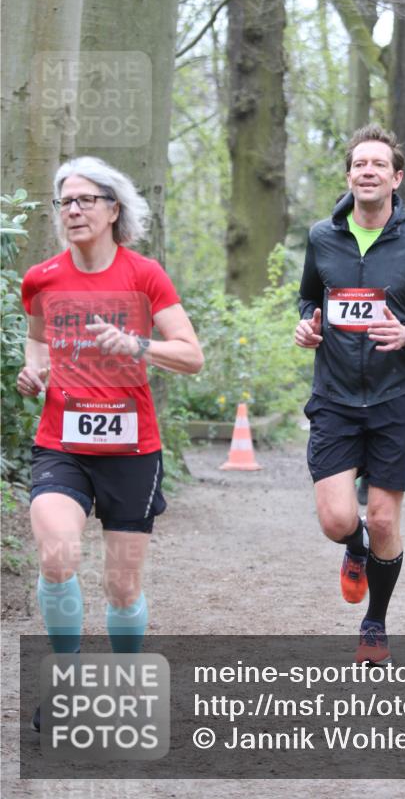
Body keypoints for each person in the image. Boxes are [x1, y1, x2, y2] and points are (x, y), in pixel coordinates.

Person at [18, 157, 203, 729]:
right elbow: (37, 342)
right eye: (64, 202)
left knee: (121, 588)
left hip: (132, 452)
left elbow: (192, 356)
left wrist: (136, 344)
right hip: (62, 445)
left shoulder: (144, 275)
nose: (73, 210)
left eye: (85, 200)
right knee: (58, 553)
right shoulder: (42, 278)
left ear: (113, 209)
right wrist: (35, 373)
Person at [295, 125, 405, 663]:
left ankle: (375, 622)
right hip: (335, 398)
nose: (368, 171)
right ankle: (356, 550)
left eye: (378, 164)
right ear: (349, 175)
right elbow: (306, 302)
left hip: (393, 399)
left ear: (396, 177)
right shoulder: (322, 238)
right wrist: (306, 326)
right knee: (338, 521)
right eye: (359, 163)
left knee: (385, 518)